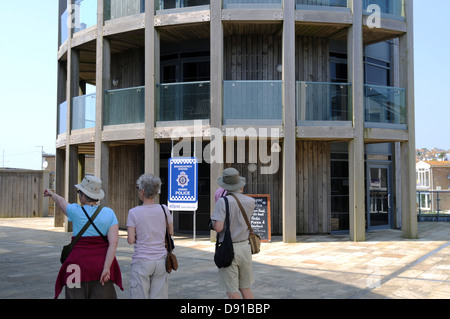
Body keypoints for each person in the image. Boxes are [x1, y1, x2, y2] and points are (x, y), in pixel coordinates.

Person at [44, 175, 123, 299]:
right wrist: (107, 268)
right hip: (101, 265)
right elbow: (114, 243)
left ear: (83, 196)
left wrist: (51, 194)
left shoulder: (75, 211)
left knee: (74, 296)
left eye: (79, 192)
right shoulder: (109, 213)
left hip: (75, 266)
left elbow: (61, 202)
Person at [210, 168, 256, 299]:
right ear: (239, 185)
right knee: (245, 287)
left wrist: (212, 222)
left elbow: (218, 228)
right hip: (245, 247)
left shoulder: (223, 201)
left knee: (231, 289)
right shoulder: (250, 201)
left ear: (225, 185)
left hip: (229, 249)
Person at [127, 173, 174, 299]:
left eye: (138, 188)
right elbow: (171, 232)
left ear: (142, 191)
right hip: (160, 261)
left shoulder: (133, 212)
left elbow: (131, 240)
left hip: (141, 261)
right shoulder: (164, 209)